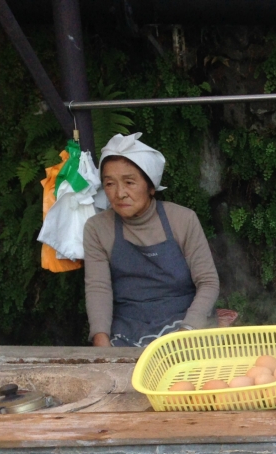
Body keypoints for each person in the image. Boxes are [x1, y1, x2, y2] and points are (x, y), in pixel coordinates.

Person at [84, 133, 220, 347]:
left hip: (184, 324)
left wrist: (187, 331)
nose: (120, 193)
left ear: (151, 186)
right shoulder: (97, 228)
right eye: (110, 184)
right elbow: (98, 288)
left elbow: (208, 282)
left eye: (129, 182)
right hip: (126, 330)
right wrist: (102, 345)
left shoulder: (182, 219)